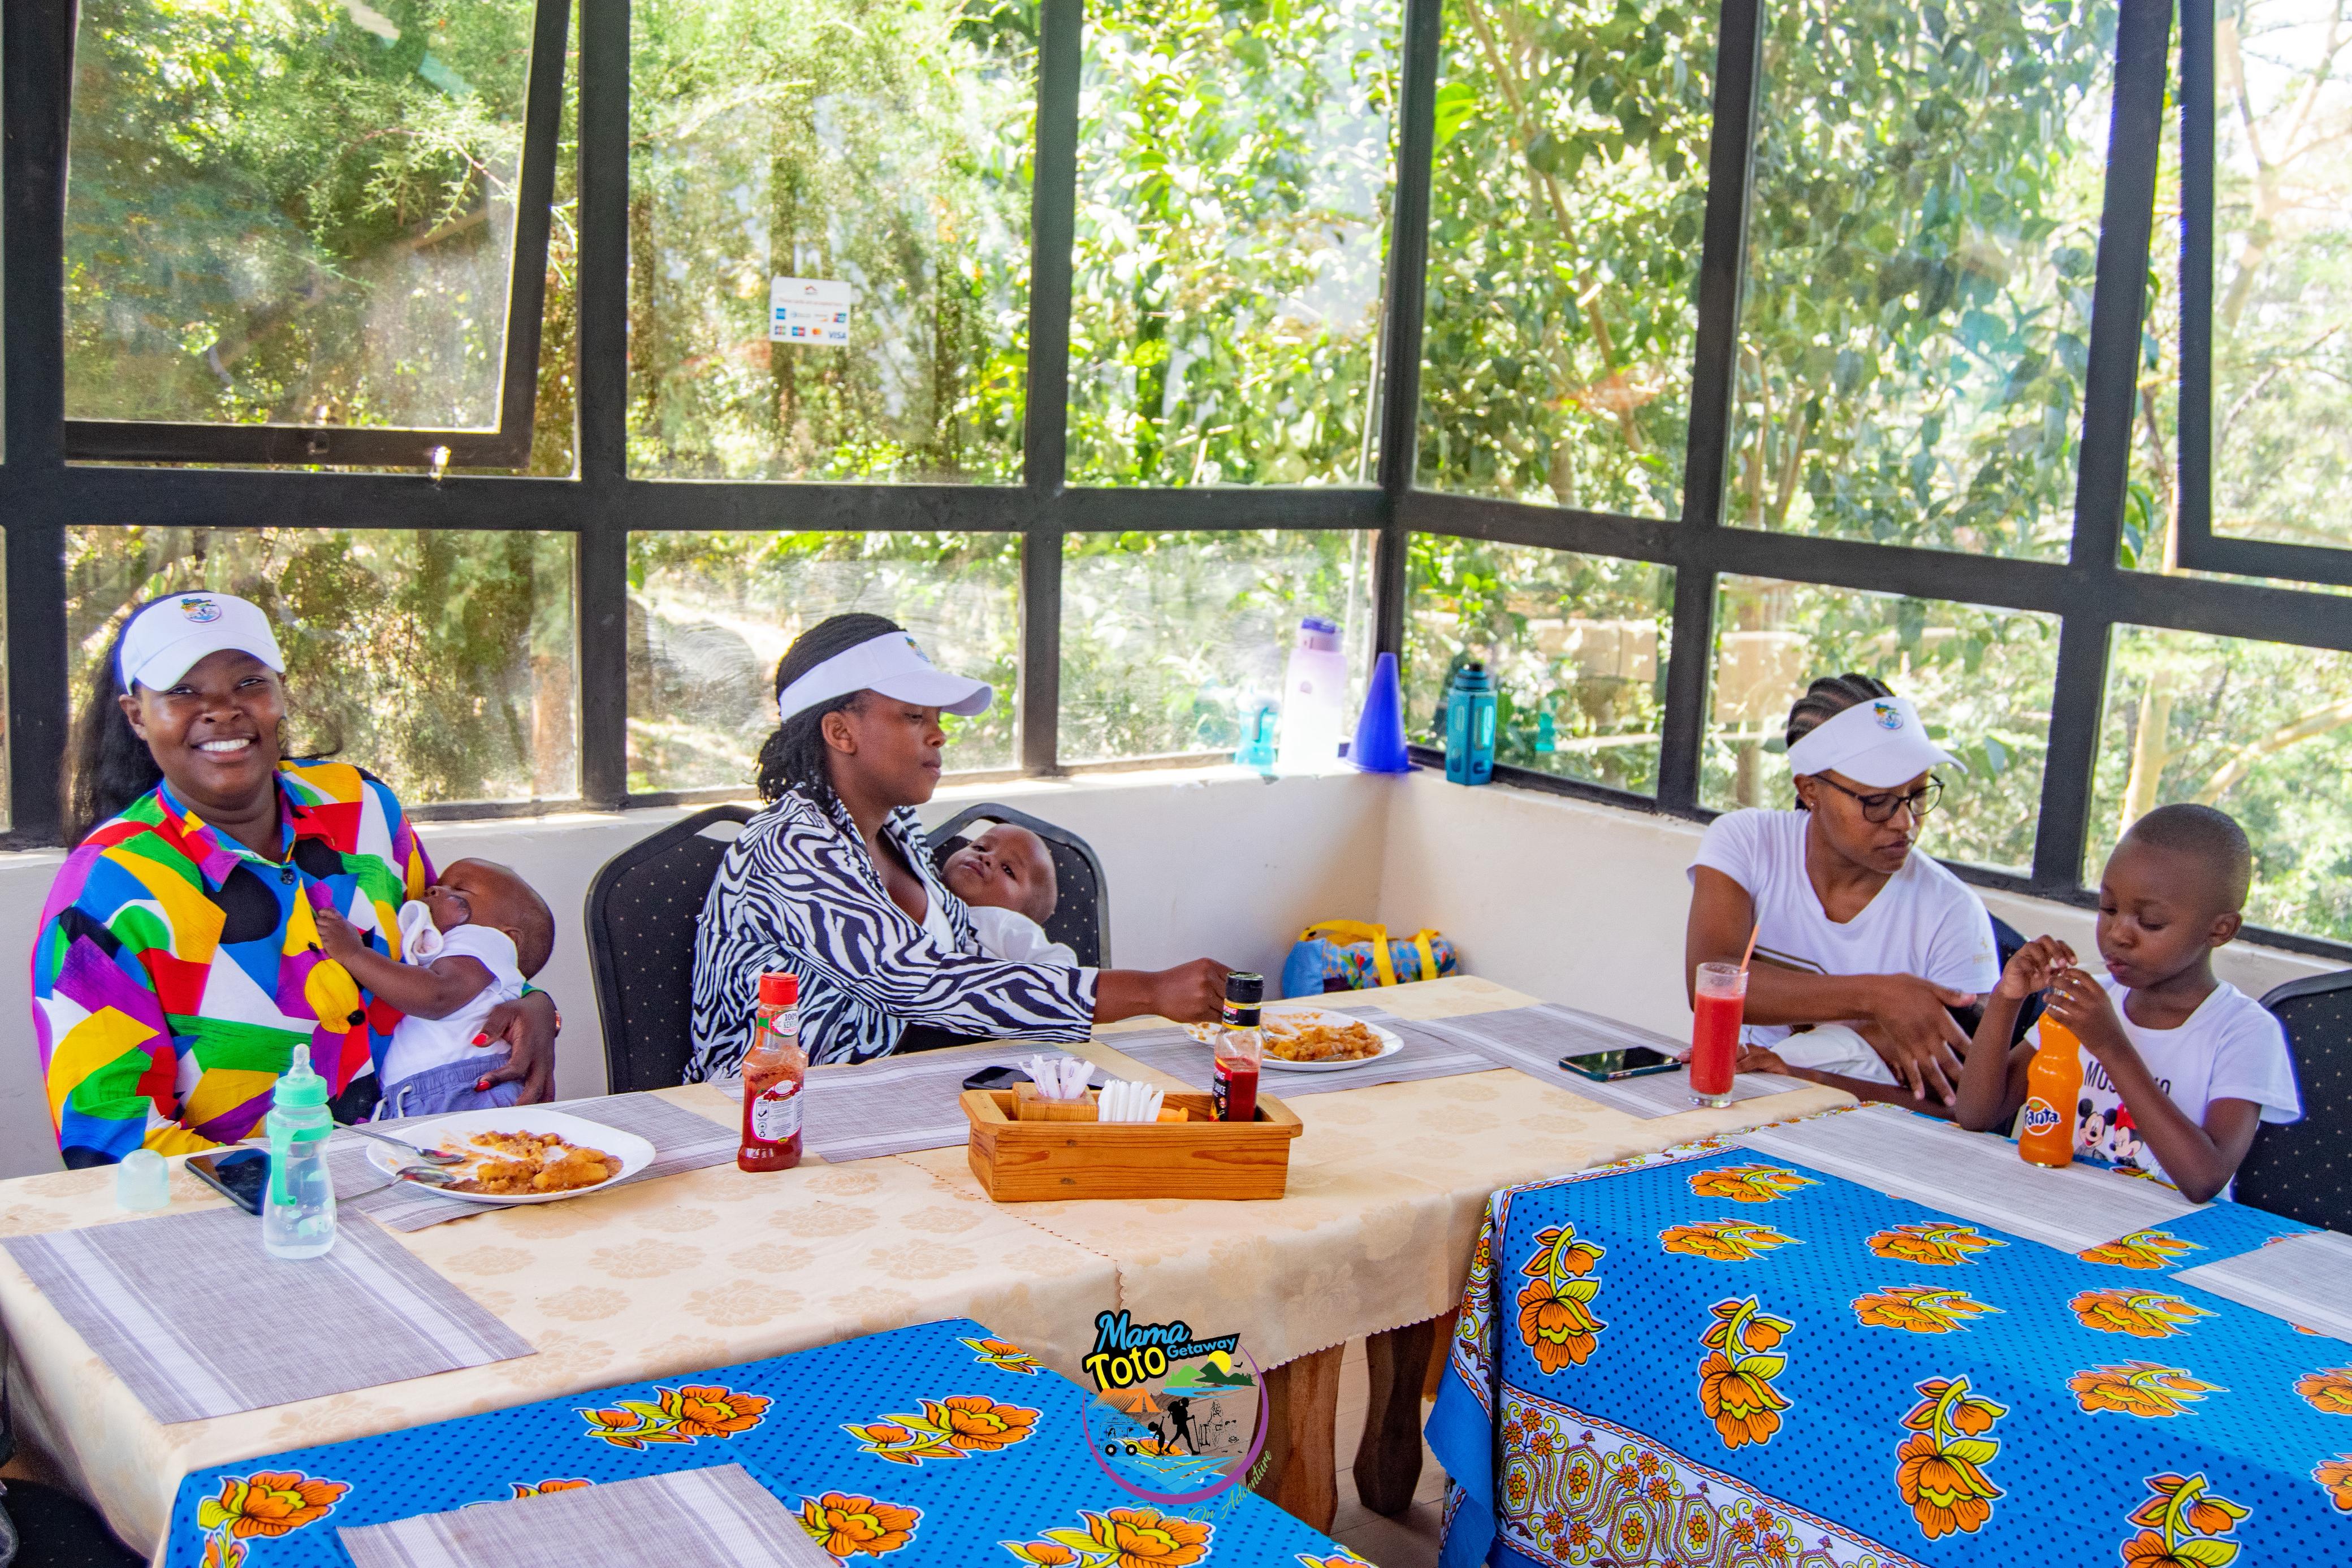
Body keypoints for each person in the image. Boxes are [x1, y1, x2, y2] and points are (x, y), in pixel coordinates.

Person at [33, 591, 561, 1166]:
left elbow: (444, 947)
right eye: (183, 691)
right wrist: (301, 1190)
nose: (222, 709)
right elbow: (110, 1139)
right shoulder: (106, 890)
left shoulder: (361, 806)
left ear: (280, 693)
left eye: (248, 683)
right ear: (137, 714)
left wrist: (526, 1001)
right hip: (251, 1210)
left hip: (433, 1160)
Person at [688, 613, 1230, 1074]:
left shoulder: (896, 832)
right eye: (914, 716)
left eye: (938, 718)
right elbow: (919, 980)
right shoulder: (791, 847)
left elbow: (965, 944)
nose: (939, 734)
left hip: (884, 1092)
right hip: (763, 1114)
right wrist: (1150, 992)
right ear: (840, 733)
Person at [1683, 673, 2000, 1107]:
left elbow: (1955, 1099)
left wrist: (1801, 1074)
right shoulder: (1748, 843)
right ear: (1810, 790)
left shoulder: (1952, 912)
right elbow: (1712, 982)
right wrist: (1880, 999)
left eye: (1919, 794)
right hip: (1734, 1102)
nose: (1904, 821)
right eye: (1877, 800)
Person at [1955, 804, 2299, 1202]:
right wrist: (2006, 999)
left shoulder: (2244, 1031)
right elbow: (1978, 1114)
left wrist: (2109, 1046)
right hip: (2059, 1210)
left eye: (2150, 922)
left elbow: (2205, 1178)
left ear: (2220, 930)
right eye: (2108, 908)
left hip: (2164, 1245)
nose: (2118, 933)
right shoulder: (2085, 1004)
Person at [315, 858, 557, 1119]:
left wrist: (354, 954)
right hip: (430, 1094)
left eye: (461, 891)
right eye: (438, 885)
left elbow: (438, 996)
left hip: (463, 1090)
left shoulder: (484, 939)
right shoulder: (456, 955)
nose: (433, 891)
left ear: (509, 939)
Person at [941, 824, 1078, 967]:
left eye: (1008, 870)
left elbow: (1062, 967)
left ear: (1020, 914)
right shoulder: (927, 883)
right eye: (980, 848)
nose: (987, 857)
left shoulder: (1008, 924)